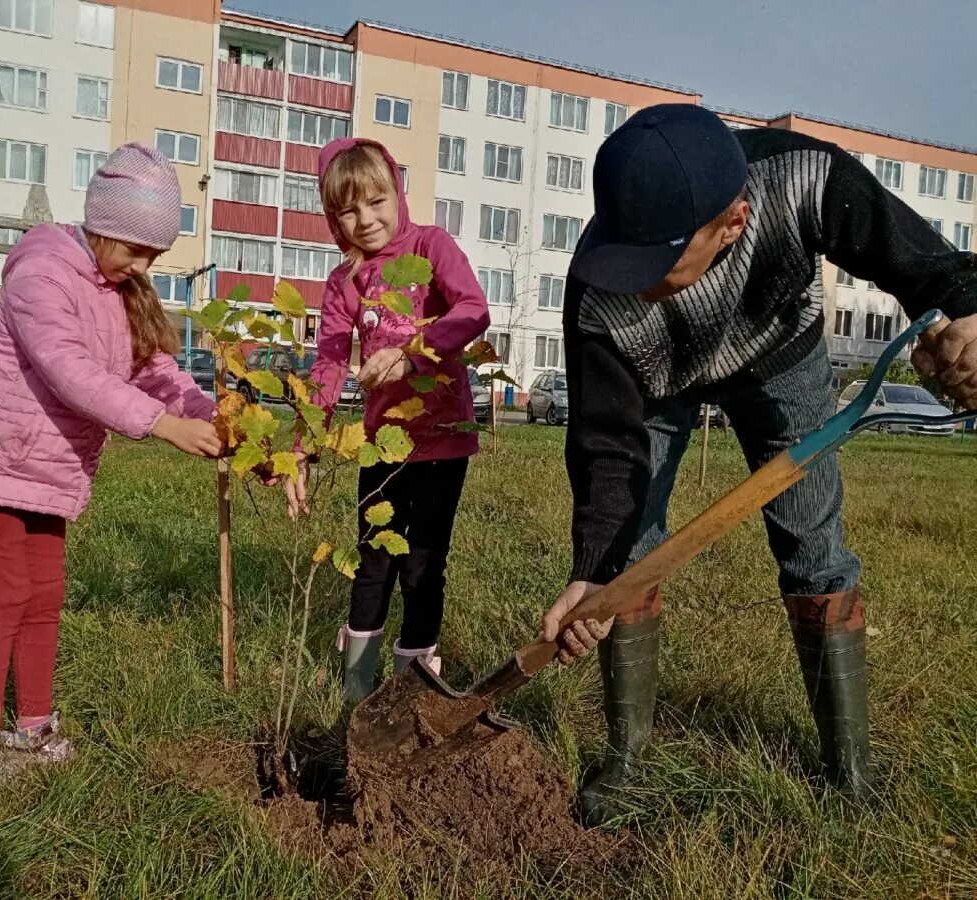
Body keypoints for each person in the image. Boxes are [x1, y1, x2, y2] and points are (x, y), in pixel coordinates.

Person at [539, 104, 977, 825]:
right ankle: (627, 762)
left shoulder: (801, 176)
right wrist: (593, 567)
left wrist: (964, 309)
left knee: (812, 543)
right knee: (632, 549)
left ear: (733, 222)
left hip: (780, 356)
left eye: (655, 261)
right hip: (658, 379)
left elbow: (913, 257)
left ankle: (851, 773)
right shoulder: (600, 294)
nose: (631, 277)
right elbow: (606, 446)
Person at [0, 142, 224, 781]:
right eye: (137, 249)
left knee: (44, 598)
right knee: (3, 600)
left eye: (155, 254)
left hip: (47, 472)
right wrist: (163, 426)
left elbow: (156, 368)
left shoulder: (120, 286)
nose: (145, 264)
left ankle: (33, 728)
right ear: (102, 225)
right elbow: (72, 373)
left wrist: (203, 414)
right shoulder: (41, 275)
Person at [284, 138, 490, 701]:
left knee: (424, 566)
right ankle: (355, 690)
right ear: (333, 217)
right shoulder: (344, 281)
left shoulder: (431, 246)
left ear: (396, 193)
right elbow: (327, 364)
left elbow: (473, 309)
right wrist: (304, 447)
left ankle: (411, 692)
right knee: (373, 560)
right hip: (381, 448)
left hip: (443, 442)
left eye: (375, 201)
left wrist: (412, 352)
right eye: (347, 210)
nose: (365, 219)